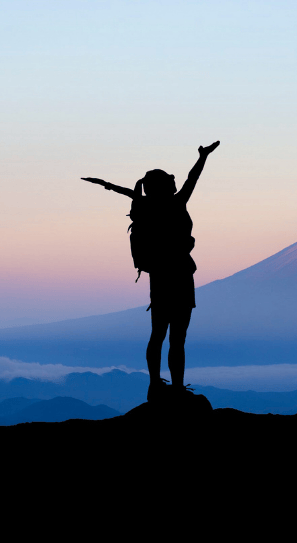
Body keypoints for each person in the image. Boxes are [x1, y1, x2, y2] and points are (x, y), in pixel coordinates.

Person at [82, 141, 220, 401]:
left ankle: (155, 384)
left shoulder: (146, 207)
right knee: (178, 337)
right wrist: (203, 157)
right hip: (180, 275)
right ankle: (177, 388)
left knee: (158, 333)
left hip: (159, 277)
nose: (175, 184)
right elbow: (193, 178)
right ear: (166, 186)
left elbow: (129, 193)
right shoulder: (177, 204)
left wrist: (107, 185)